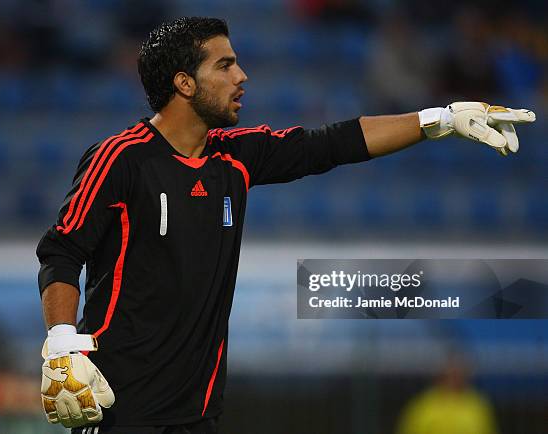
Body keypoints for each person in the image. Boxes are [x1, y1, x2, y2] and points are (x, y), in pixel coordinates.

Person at [36, 17, 534, 434]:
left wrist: (438, 120)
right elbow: (62, 251)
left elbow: (332, 142)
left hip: (198, 413)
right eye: (225, 65)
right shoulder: (120, 159)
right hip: (119, 407)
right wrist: (61, 343)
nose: (242, 76)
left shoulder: (235, 157)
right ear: (184, 83)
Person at [397, 354, 498, 434]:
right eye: (450, 373)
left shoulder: (478, 406)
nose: (454, 378)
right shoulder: (423, 406)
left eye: (458, 374)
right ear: (440, 375)